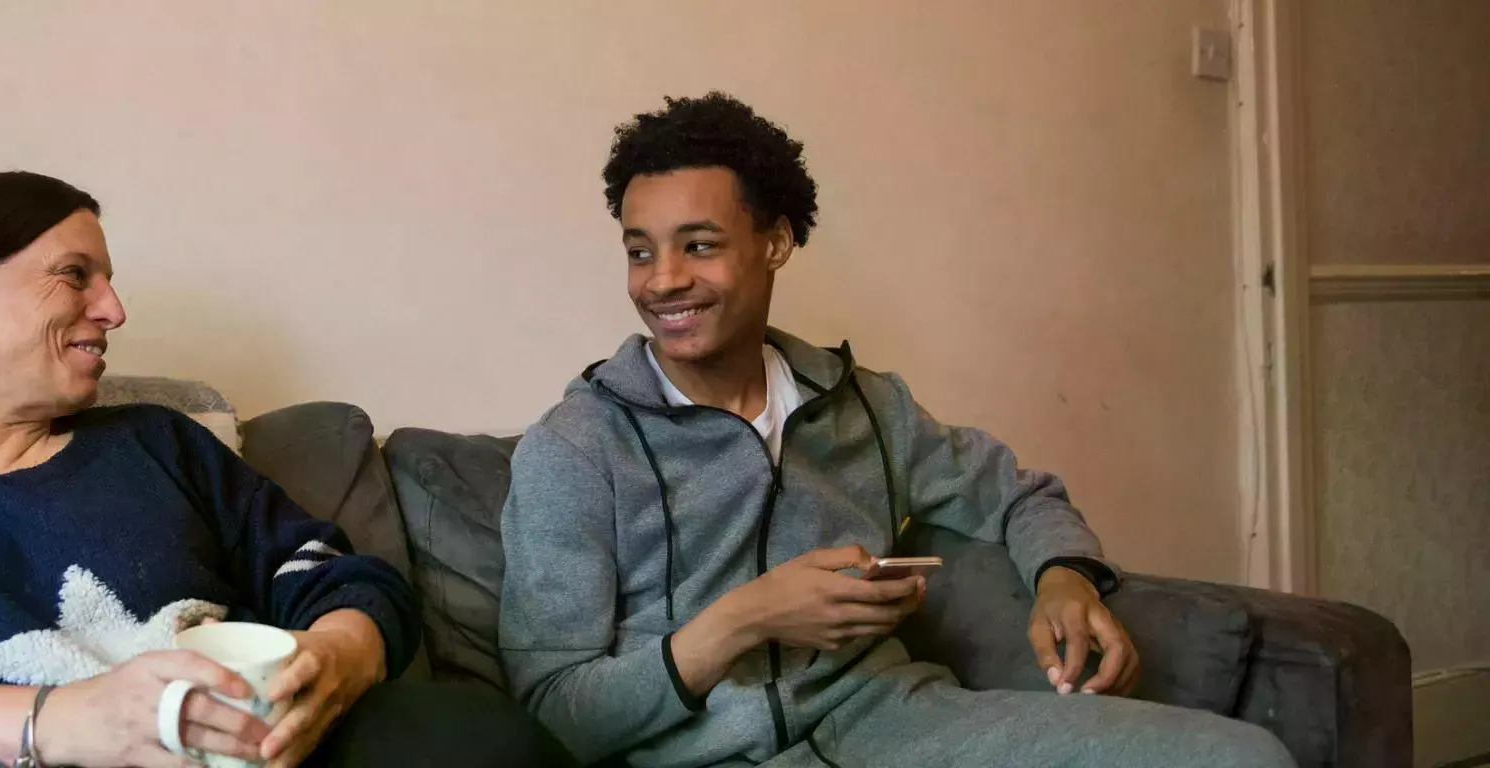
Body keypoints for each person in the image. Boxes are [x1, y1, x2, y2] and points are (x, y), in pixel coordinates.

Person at [497, 93, 1295, 767]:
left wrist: (1065, 579)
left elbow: (1018, 495)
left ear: (776, 242)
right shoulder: (577, 447)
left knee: (1242, 757)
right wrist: (748, 617)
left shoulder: (865, 407)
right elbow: (556, 709)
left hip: (897, 724)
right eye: (640, 253)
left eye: (698, 246)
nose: (663, 280)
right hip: (700, 754)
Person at [0, 171, 576, 768]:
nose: (114, 310)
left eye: (108, 281)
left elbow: (338, 576)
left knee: (481, 737)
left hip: (250, 752)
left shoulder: (158, 443)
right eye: (75, 275)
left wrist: (336, 659)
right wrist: (63, 724)